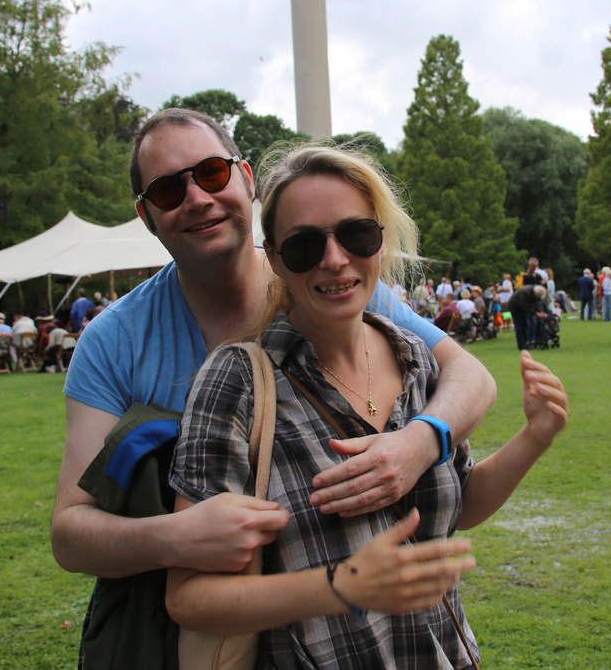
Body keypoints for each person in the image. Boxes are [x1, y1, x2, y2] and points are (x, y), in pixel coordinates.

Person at [51, 110, 495, 623]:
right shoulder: (113, 340)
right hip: (211, 635)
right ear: (146, 216)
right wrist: (174, 534)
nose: (196, 198)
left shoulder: (326, 281)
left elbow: (471, 377)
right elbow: (71, 532)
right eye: (168, 191)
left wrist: (419, 442)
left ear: (245, 178)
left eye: (211, 172)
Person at [167, 142, 567, 669]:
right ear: (276, 258)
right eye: (305, 245)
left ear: (380, 240)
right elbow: (190, 597)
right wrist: (341, 586)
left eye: (356, 234)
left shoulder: (417, 358)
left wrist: (534, 436)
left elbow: (459, 505)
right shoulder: (236, 381)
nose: (335, 260)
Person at [508, 284, 549, 350]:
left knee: (525, 324)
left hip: (522, 306)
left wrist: (541, 312)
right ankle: (521, 344)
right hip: (515, 306)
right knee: (519, 324)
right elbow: (524, 306)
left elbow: (536, 303)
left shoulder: (534, 293)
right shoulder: (525, 293)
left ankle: (526, 341)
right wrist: (536, 313)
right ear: (535, 293)